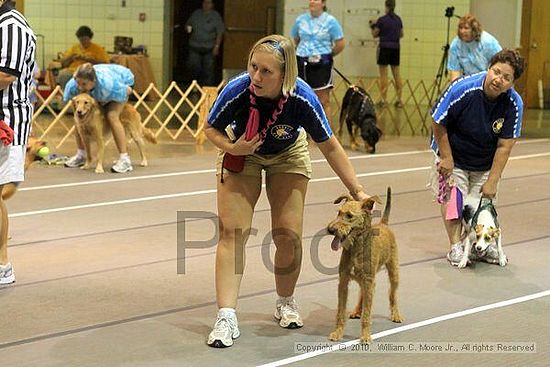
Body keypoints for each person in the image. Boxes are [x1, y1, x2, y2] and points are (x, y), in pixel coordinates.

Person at [204, 34, 369, 348]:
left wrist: (357, 190)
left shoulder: (302, 97)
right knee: (232, 233)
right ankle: (226, 316)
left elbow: (331, 147)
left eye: (266, 71)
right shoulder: (237, 90)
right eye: (254, 67)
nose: (256, 76)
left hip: (288, 153)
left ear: (285, 75)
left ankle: (285, 300)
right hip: (242, 150)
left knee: (288, 234)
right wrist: (231, 147)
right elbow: (210, 127)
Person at [430, 49, 524, 266]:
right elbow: (438, 120)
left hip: (485, 160)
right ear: (488, 69)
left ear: (512, 83)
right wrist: (446, 158)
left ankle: (482, 244)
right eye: (496, 72)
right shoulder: (462, 88)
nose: (498, 79)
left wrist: (493, 180)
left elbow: (505, 146)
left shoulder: (513, 104)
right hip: (453, 153)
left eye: (506, 78)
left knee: (483, 205)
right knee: (455, 202)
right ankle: (455, 245)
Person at [0, 0, 37, 284]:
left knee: (1, 192)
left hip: (7, 121)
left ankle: (3, 265)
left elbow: (6, 74)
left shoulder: (12, 26)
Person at [63, 63, 135, 173]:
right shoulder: (72, 86)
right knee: (77, 118)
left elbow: (126, 92)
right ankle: (81, 155)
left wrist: (105, 104)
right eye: (78, 83)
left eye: (84, 84)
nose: (80, 87)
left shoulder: (109, 85)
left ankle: (125, 159)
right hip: (100, 88)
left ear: (93, 81)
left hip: (123, 81)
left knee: (112, 115)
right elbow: (73, 104)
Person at [291, 0, 345, 129]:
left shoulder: (331, 21)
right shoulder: (300, 20)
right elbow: (296, 39)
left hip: (321, 64)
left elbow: (340, 43)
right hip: (302, 61)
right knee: (299, 98)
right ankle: (300, 134)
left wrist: (328, 55)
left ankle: (326, 134)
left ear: (323, 3)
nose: (312, 2)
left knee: (323, 100)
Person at [447, 14, 502, 82]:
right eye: (460, 28)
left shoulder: (488, 42)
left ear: (474, 29)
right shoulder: (456, 45)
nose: (462, 31)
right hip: (468, 80)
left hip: (487, 80)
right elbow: (455, 71)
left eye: (466, 28)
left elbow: (501, 63)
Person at [369, 0, 404, 107]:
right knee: (396, 74)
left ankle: (384, 100)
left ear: (386, 6)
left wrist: (372, 26)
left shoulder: (381, 20)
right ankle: (399, 100)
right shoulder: (398, 19)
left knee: (383, 75)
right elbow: (401, 34)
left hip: (384, 48)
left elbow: (375, 34)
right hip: (395, 48)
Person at [185, 0, 225, 86]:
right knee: (193, 66)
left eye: (209, 3)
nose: (206, 5)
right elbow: (188, 24)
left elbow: (220, 32)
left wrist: (217, 46)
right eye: (204, 2)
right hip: (195, 46)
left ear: (212, 5)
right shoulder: (196, 14)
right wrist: (188, 29)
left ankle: (207, 89)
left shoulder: (215, 16)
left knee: (208, 70)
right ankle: (194, 86)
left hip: (209, 48)